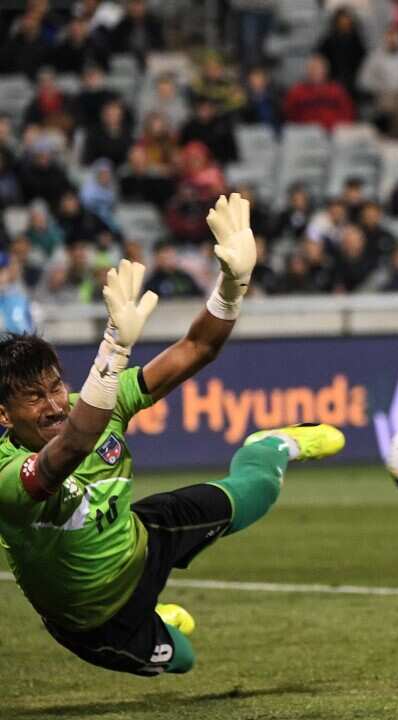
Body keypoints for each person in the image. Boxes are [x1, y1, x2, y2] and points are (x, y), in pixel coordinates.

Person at [0, 194, 346, 676]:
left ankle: (272, 445)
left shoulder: (96, 400)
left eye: (56, 385)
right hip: (95, 619)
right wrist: (114, 347)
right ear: (3, 414)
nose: (56, 403)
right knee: (181, 659)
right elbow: (73, 447)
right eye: (34, 397)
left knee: (256, 492)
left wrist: (233, 284)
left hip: (140, 538)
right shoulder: (5, 476)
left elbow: (197, 348)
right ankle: (157, 619)